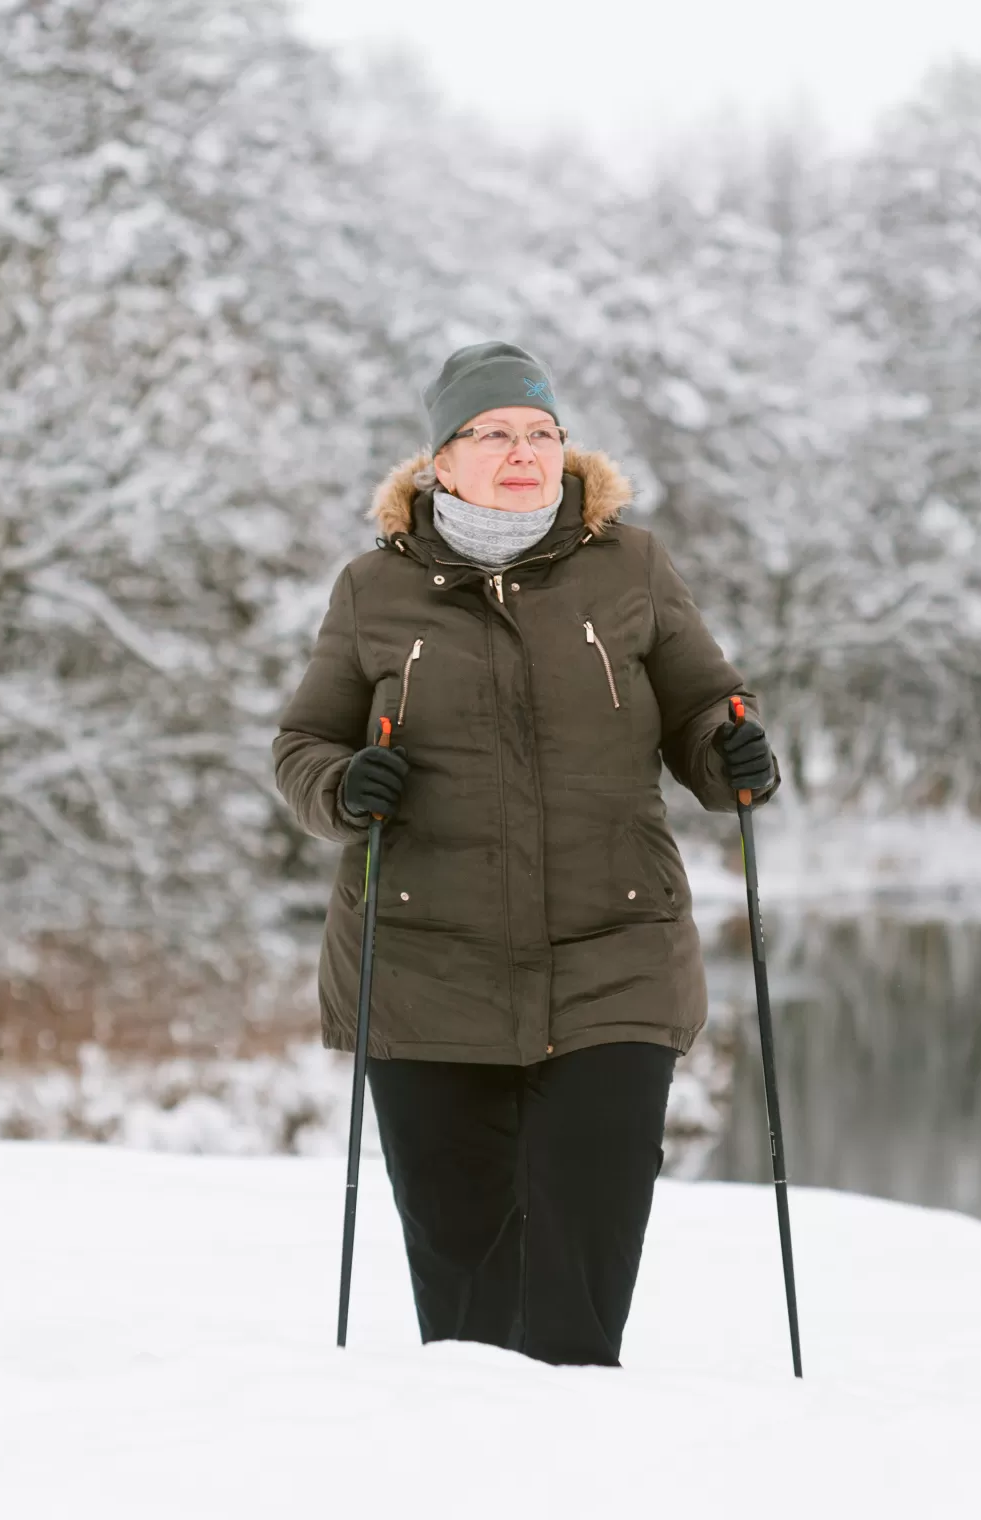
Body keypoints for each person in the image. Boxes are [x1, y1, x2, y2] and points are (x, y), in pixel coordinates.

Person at [271, 341, 778, 1367]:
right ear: (440, 459)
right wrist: (342, 787)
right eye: (494, 432)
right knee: (467, 1314)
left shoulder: (630, 565)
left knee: (577, 1299)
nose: (524, 451)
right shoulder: (375, 590)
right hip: (425, 967)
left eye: (542, 433)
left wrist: (731, 752)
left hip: (615, 951)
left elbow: (699, 704)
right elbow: (302, 747)